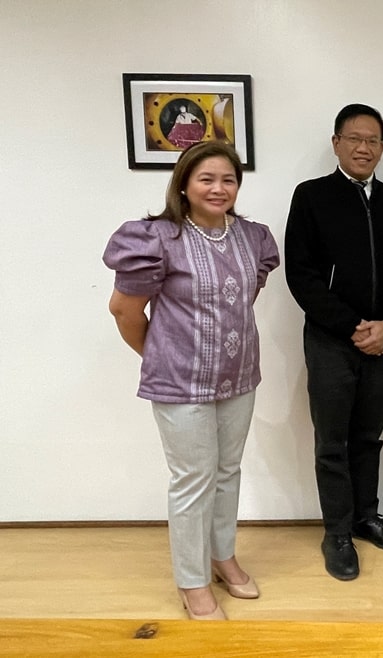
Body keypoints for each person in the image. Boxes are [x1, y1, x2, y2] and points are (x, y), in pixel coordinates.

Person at [103, 141, 279, 620]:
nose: (218, 188)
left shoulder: (253, 238)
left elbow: (244, 298)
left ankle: (222, 557)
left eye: (228, 179)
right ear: (184, 183)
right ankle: (192, 581)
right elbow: (124, 310)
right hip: (180, 382)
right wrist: (161, 353)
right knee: (192, 480)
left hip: (240, 375)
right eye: (207, 179)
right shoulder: (157, 238)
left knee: (228, 472)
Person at [285, 103, 383, 581]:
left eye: (373, 141)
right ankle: (337, 532)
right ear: (337, 143)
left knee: (368, 437)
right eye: (355, 138)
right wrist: (352, 327)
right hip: (330, 342)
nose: (364, 148)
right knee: (332, 442)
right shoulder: (311, 197)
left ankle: (366, 517)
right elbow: (300, 276)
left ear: (382, 148)